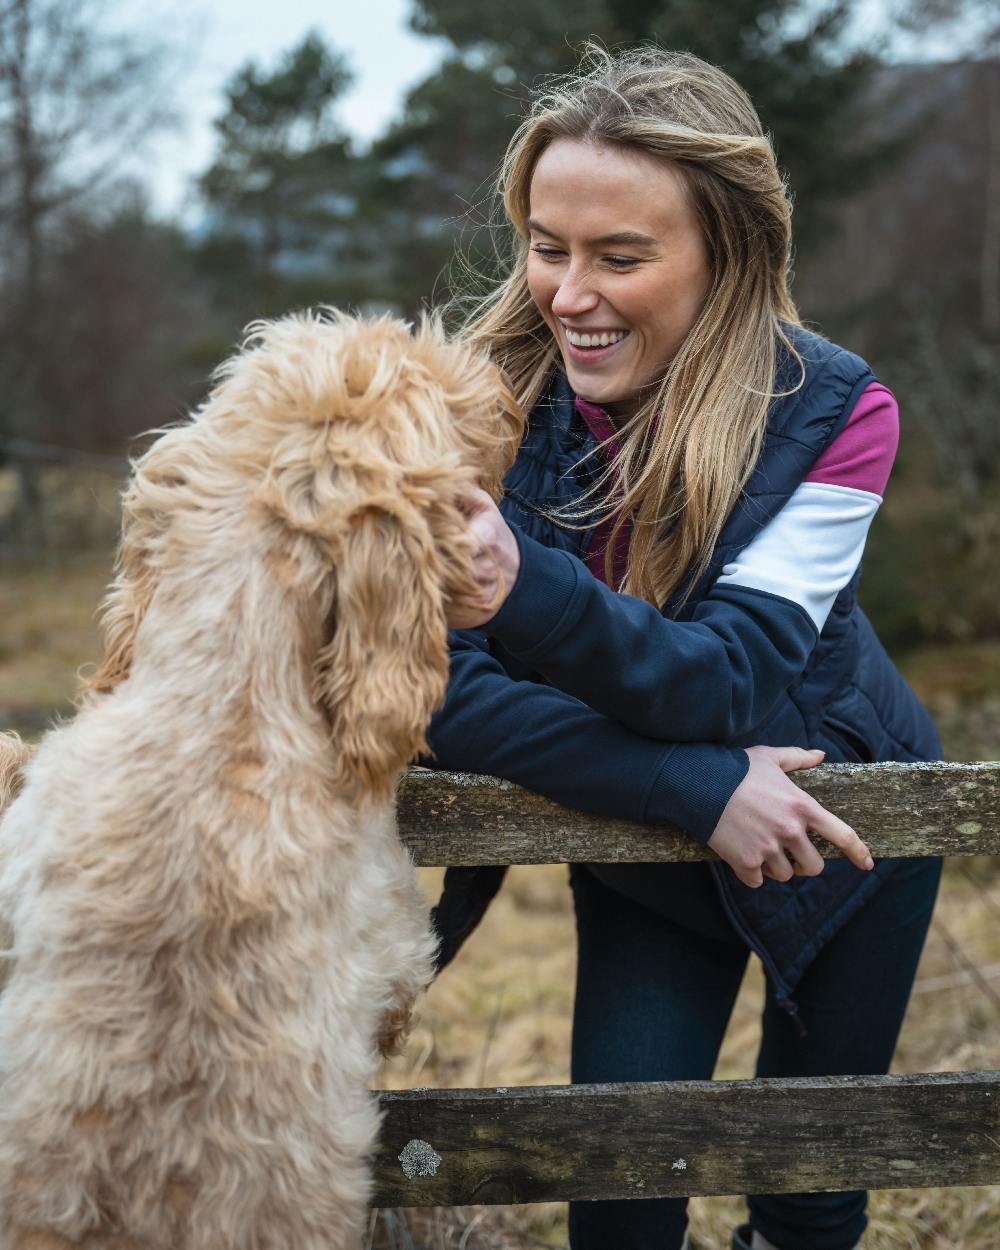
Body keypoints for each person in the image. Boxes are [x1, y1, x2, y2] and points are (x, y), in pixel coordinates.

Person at [424, 45, 942, 1250]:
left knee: (809, 1194)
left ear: (726, 252)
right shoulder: (474, 402)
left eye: (620, 256)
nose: (569, 292)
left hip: (845, 828)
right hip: (644, 838)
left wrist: (519, 584)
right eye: (549, 245)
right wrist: (690, 785)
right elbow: (444, 692)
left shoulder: (837, 411)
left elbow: (728, 675)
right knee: (620, 1195)